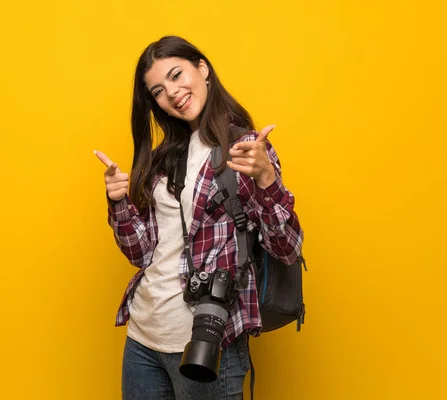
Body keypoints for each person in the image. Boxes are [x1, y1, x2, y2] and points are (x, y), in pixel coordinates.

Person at [95, 36, 303, 400]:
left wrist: (267, 181)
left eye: (177, 75)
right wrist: (118, 203)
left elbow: (287, 248)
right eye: (158, 90)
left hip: (207, 342)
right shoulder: (164, 157)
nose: (172, 93)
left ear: (202, 69)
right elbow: (142, 254)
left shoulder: (246, 150)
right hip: (143, 337)